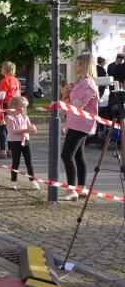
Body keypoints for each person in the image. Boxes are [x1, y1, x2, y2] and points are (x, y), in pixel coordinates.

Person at [60, 54, 99, 201]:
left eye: (77, 63)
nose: (74, 66)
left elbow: (77, 106)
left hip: (80, 124)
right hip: (76, 123)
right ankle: (81, 188)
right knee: (78, 155)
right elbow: (69, 107)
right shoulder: (80, 82)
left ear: (83, 65)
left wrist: (66, 97)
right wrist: (66, 95)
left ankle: (72, 190)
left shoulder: (86, 84)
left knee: (66, 155)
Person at [6, 96, 40, 190]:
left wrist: (33, 127)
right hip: (14, 142)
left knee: (29, 162)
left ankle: (33, 182)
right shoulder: (10, 117)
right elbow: (13, 131)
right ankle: (13, 182)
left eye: (25, 107)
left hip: (25, 140)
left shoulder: (25, 116)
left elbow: (29, 126)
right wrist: (26, 129)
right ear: (15, 106)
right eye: (23, 106)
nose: (24, 109)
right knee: (15, 162)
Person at [0, 61, 21, 159]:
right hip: (16, 105)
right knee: (10, 128)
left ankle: (2, 151)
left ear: (6, 69)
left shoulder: (4, 81)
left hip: (6, 105)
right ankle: (10, 150)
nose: (0, 69)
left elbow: (2, 96)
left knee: (2, 128)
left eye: (2, 67)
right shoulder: (16, 80)